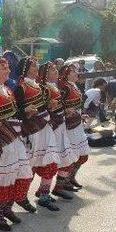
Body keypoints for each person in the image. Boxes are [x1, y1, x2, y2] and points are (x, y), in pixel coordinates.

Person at [0, 56, 33, 231]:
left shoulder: (8, 89)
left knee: (22, 174)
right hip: (1, 141)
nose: (8, 71)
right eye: (4, 68)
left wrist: (25, 111)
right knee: (3, 178)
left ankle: (7, 208)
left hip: (14, 138)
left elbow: (15, 112)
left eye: (8, 68)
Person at [14, 57, 60, 212]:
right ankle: (21, 197)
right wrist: (26, 111)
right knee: (30, 165)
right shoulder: (20, 88)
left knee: (51, 162)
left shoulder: (41, 87)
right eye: (33, 65)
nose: (37, 67)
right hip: (31, 131)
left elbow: (44, 106)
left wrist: (50, 105)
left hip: (45, 128)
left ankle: (44, 195)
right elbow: (16, 112)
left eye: (36, 65)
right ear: (26, 69)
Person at [39, 61, 78, 199]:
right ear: (45, 74)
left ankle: (57, 188)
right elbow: (40, 109)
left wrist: (65, 111)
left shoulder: (54, 87)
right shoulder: (43, 88)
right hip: (51, 129)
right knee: (50, 162)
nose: (56, 72)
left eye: (56, 70)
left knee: (66, 160)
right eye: (52, 70)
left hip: (60, 127)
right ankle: (44, 194)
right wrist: (49, 106)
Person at [58, 64, 90, 190]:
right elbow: (57, 106)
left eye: (76, 71)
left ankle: (70, 177)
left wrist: (81, 115)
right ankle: (62, 183)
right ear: (66, 74)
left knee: (83, 156)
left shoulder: (74, 86)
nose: (77, 73)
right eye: (73, 71)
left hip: (77, 124)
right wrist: (66, 111)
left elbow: (76, 106)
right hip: (69, 126)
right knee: (70, 156)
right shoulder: (64, 88)